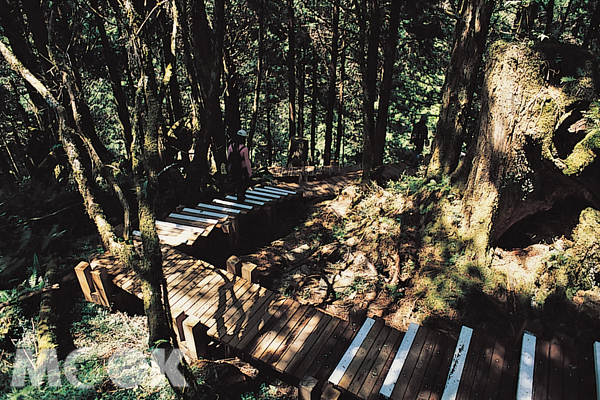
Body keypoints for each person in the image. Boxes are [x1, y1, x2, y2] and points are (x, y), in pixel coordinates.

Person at [227, 129, 252, 202]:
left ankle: (239, 194)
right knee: (243, 183)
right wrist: (249, 172)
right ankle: (241, 196)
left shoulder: (231, 146)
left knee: (237, 182)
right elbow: (247, 161)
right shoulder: (244, 149)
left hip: (232, 168)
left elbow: (228, 158)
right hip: (241, 169)